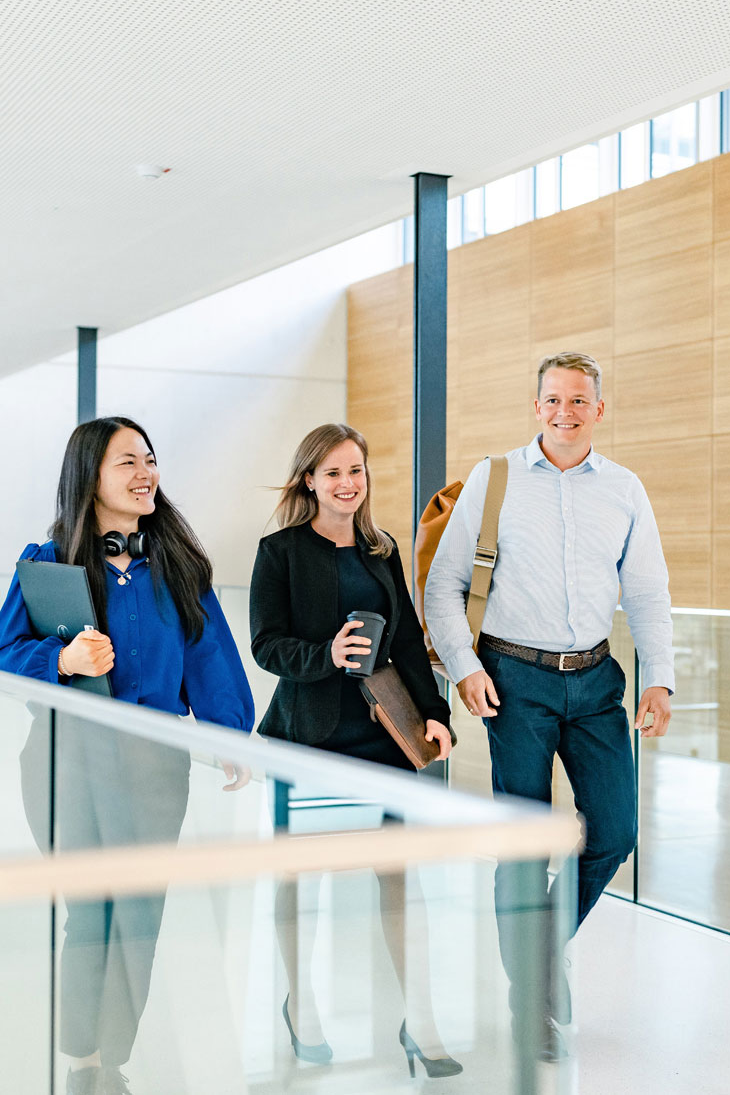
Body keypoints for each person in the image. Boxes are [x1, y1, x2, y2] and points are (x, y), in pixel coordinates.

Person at [421, 352, 675, 1058]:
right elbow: (441, 588)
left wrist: (659, 677)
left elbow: (648, 592)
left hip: (596, 681)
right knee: (525, 841)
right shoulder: (493, 478)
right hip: (514, 678)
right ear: (536, 407)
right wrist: (466, 668)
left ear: (600, 408)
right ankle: (529, 1002)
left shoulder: (625, 489)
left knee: (614, 831)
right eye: (554, 400)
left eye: (580, 400)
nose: (566, 412)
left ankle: (534, 954)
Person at [0, 416, 254, 1095]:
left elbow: (210, 656)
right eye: (127, 462)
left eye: (151, 459)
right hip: (66, 760)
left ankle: (114, 1059)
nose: (146, 473)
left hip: (154, 765)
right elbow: (2, 658)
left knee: (141, 912)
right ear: (91, 476)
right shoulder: (47, 562)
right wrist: (63, 657)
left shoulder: (179, 566)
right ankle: (81, 1057)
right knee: (91, 907)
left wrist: (227, 732)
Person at [249, 423, 461, 1079]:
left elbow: (403, 642)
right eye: (333, 472)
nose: (347, 483)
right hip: (308, 739)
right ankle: (301, 1004)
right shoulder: (279, 550)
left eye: (356, 471)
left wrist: (435, 712)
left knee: (400, 877)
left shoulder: (381, 549)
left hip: (380, 741)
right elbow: (266, 644)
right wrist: (326, 656)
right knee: (300, 875)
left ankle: (419, 1018)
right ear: (309, 479)